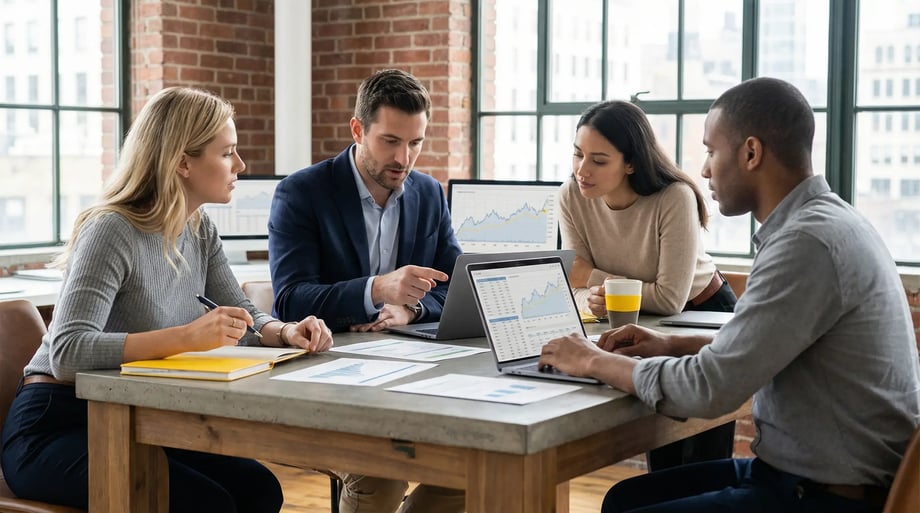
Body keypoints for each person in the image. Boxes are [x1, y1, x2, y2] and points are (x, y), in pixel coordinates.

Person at [539, 77, 920, 513]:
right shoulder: (822, 224)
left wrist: (592, 360)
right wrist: (672, 343)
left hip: (823, 494)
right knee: (626, 496)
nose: (703, 170)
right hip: (793, 474)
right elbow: (767, 345)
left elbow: (709, 389)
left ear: (751, 153)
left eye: (711, 151)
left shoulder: (806, 244)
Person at [0, 87, 335, 513]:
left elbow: (244, 314)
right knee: (206, 504)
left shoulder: (199, 228)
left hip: (139, 417)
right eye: (227, 152)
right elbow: (67, 352)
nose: (241, 165)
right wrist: (186, 338)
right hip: (57, 424)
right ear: (182, 162)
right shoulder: (112, 229)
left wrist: (284, 331)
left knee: (260, 489)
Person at [268, 69, 464, 513]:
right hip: (332, 376)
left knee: (469, 471)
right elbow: (291, 299)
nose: (404, 157)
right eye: (390, 141)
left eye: (415, 143)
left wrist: (410, 311)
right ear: (358, 130)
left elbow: (456, 287)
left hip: (413, 373)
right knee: (379, 472)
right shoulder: (303, 193)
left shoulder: (430, 194)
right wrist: (377, 289)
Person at [560, 99, 736, 471]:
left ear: (631, 163)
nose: (582, 170)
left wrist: (595, 280)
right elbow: (573, 283)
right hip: (636, 320)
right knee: (663, 453)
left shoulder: (674, 197)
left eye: (599, 160)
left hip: (703, 312)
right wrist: (595, 290)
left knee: (704, 459)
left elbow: (671, 297)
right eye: (578, 155)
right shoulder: (571, 196)